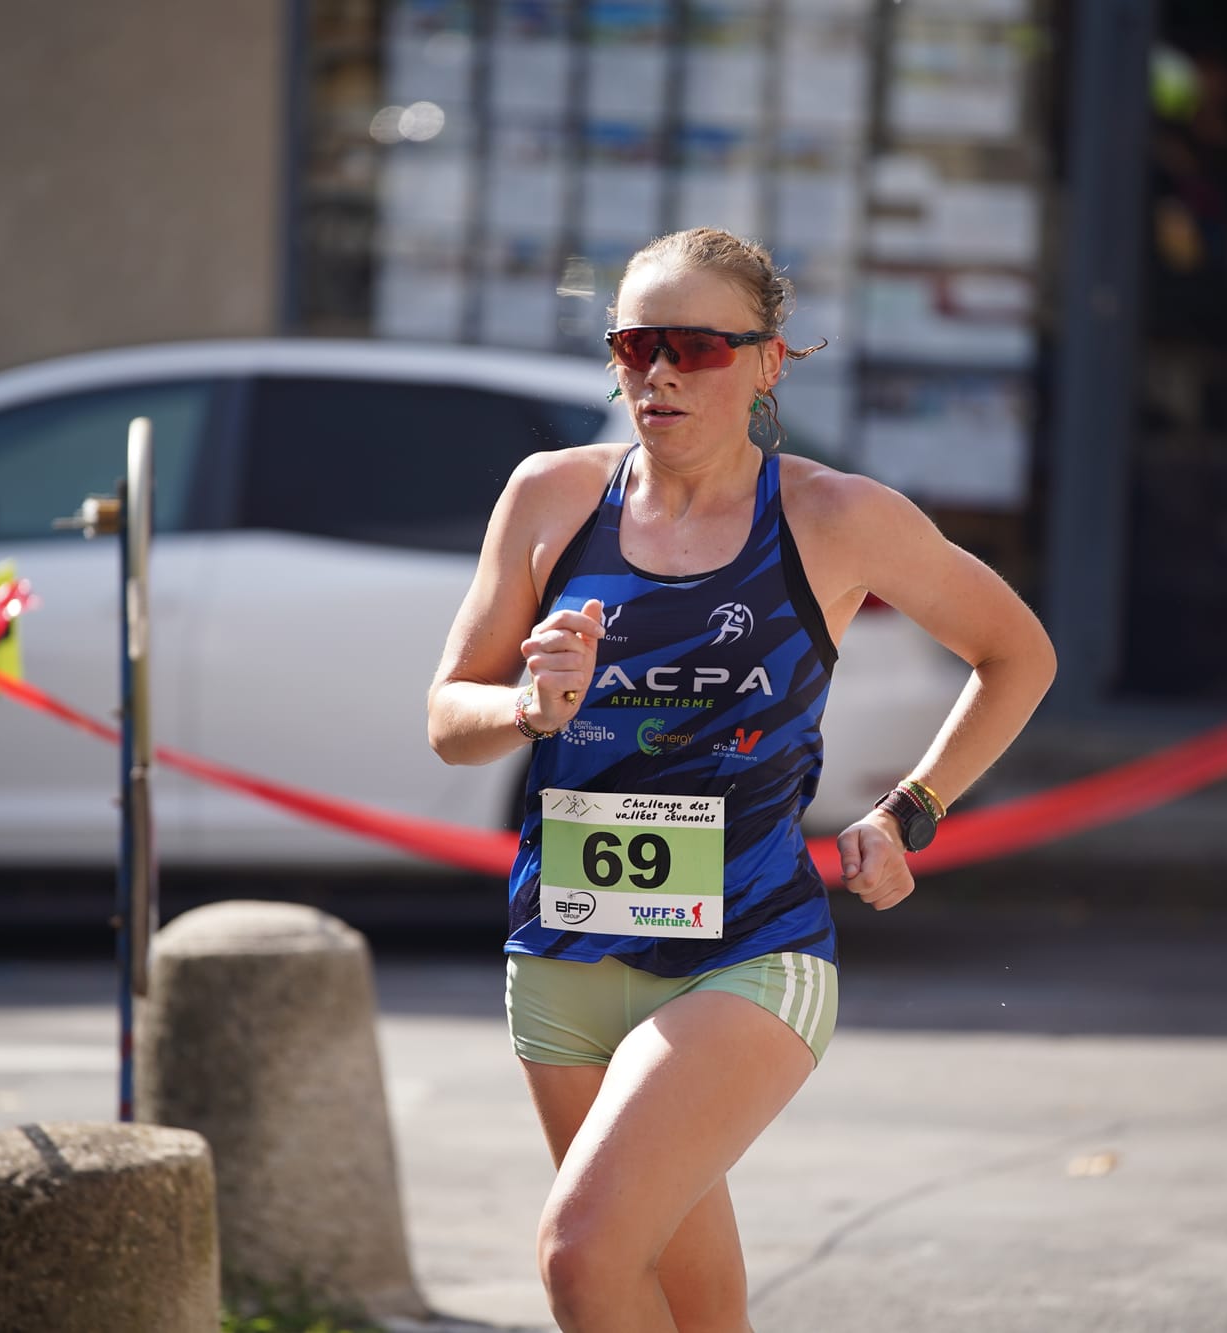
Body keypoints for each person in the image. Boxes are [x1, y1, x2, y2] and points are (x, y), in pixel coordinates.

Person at [427, 227, 1057, 1332]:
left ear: (767, 362)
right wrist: (528, 708)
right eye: (634, 344)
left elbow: (1017, 654)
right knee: (682, 1296)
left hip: (748, 950)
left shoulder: (832, 517)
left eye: (695, 347)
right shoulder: (549, 498)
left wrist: (911, 811)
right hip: (564, 942)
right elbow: (448, 720)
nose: (658, 372)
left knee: (580, 1255)